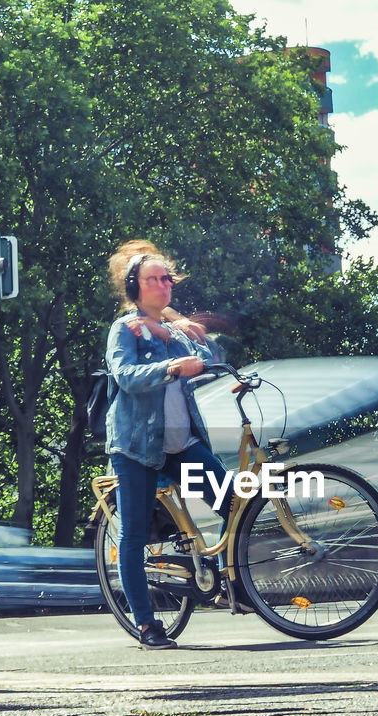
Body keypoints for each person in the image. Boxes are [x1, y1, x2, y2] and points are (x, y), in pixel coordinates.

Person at [104, 243, 230, 650]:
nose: (163, 284)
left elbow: (210, 357)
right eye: (153, 279)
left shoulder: (172, 330)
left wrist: (191, 334)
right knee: (135, 534)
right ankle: (146, 624)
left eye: (167, 279)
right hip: (137, 448)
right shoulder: (127, 329)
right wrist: (171, 366)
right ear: (134, 287)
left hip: (181, 446)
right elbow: (126, 375)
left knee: (235, 505)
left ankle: (231, 582)